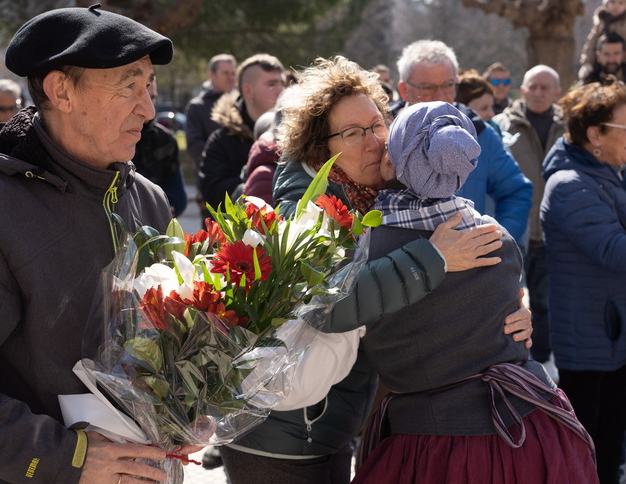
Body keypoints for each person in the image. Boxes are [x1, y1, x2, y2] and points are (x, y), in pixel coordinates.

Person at [0, 5, 194, 483]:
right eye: (128, 86)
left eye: (148, 87)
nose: (148, 108)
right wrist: (64, 458)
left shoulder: (150, 199)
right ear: (61, 90)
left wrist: (192, 405)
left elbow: (171, 342)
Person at [220, 56, 534, 484]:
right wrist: (433, 259)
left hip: (333, 424)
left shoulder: (385, 189)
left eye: (377, 125)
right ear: (319, 147)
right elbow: (329, 305)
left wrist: (509, 306)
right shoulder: (306, 205)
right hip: (283, 435)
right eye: (352, 133)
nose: (374, 141)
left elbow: (454, 262)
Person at [351, 101, 597, 484]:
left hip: (434, 445)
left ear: (393, 162)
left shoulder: (366, 248)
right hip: (531, 429)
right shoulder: (494, 237)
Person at [540, 80, 626, 484]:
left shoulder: (606, 172)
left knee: (609, 446)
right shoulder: (570, 184)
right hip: (590, 342)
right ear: (595, 135)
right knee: (590, 454)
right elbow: (613, 249)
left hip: (610, 334)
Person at [393, 40, 532, 245]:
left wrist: (494, 242)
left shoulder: (479, 132)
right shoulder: (380, 135)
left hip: (470, 270)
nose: (441, 97)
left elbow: (516, 191)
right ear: (404, 89)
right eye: (428, 87)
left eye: (448, 85)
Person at [494, 65, 565, 375]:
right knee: (511, 303)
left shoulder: (569, 128)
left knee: (548, 305)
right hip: (516, 234)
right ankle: (517, 367)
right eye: (532, 87)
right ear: (521, 90)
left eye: (544, 88)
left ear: (557, 92)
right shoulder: (500, 126)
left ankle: (546, 366)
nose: (538, 93)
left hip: (555, 233)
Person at [198, 53, 285, 210]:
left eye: (282, 84)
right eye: (272, 84)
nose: (281, 91)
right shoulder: (221, 140)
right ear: (248, 91)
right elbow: (212, 193)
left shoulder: (296, 135)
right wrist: (257, 181)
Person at [184, 54, 237, 223]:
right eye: (225, 73)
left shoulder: (240, 105)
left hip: (239, 185)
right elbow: (194, 147)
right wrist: (225, 154)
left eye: (233, 73)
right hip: (212, 187)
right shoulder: (197, 107)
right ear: (211, 75)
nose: (231, 78)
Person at [132, 78, 187, 216]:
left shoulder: (165, 139)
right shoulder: (112, 137)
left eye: (152, 97)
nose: (149, 105)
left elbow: (178, 196)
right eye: (141, 96)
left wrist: (164, 208)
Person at [580, 0, 626, 83]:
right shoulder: (602, 21)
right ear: (607, 4)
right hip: (603, 59)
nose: (616, 6)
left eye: (621, 3)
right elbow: (591, 43)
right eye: (613, 2)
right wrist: (587, 62)